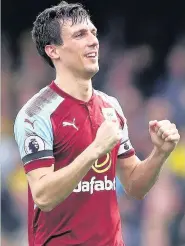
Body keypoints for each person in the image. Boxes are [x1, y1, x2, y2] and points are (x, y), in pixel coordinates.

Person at [14, 1, 180, 246]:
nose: (93, 41)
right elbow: (43, 196)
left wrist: (159, 154)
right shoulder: (36, 114)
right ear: (53, 51)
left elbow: (134, 186)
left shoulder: (110, 106)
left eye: (93, 32)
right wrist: (94, 150)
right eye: (80, 35)